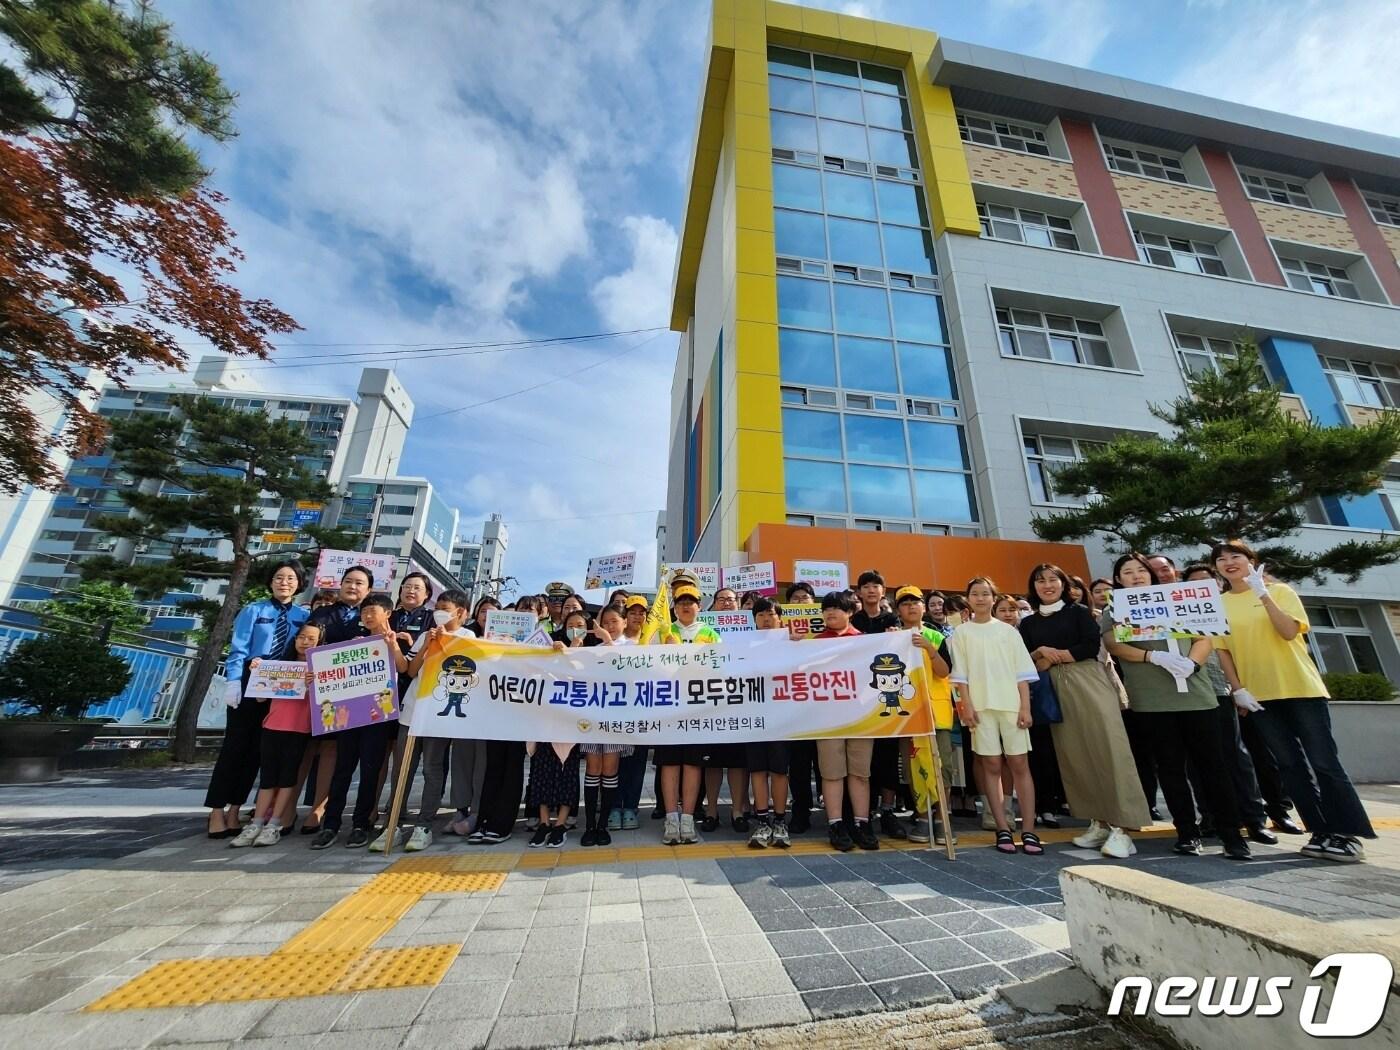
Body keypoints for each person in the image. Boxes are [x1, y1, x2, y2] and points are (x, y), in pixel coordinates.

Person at [1212, 540, 1375, 862]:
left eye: (1235, 556)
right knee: (1289, 765)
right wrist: (1237, 689)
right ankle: (1320, 830)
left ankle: (1348, 832)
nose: (1228, 562)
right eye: (1221, 559)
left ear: (1251, 561)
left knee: (1325, 762)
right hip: (1260, 696)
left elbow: (1289, 632)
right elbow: (1223, 651)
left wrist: (1263, 595)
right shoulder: (1219, 604)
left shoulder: (1280, 591)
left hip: (1301, 689)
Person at [1102, 554, 1250, 860]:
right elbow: (1115, 645)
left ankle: (1231, 834)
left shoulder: (1181, 598)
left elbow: (1205, 636)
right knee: (1170, 769)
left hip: (1197, 696)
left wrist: (1192, 663)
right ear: (1118, 580)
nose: (1136, 576)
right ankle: (1186, 832)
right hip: (1152, 700)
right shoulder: (1115, 607)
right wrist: (1152, 657)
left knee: (1214, 767)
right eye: (1127, 573)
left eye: (1141, 571)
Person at [1019, 563, 1150, 859]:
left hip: (1087, 680)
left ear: (1064, 584)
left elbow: (1091, 646)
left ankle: (1124, 826)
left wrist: (1053, 655)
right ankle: (1098, 821)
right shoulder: (1028, 623)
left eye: (1053, 579)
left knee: (1108, 748)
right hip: (1053, 688)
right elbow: (1027, 660)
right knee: (1073, 754)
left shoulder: (1078, 612)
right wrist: (1041, 654)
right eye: (1040, 581)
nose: (1047, 585)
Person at [1181, 564, 1300, 838]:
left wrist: (1238, 689)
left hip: (1228, 690)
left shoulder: (1230, 607)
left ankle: (1258, 817)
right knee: (1197, 760)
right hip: (1192, 690)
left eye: (1207, 580)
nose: (1201, 587)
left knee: (1241, 756)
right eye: (1194, 583)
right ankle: (1211, 816)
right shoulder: (1179, 612)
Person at [205, 560, 309, 838]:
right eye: (279, 577)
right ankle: (216, 811)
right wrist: (233, 682)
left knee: (256, 753)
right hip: (250, 682)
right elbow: (238, 649)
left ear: (299, 584)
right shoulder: (254, 610)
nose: (284, 582)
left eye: (290, 578)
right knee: (233, 749)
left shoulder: (302, 616)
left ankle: (235, 810)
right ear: (270, 582)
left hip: (281, 688)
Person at [949, 577, 1042, 855]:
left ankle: (1029, 829)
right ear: (968, 598)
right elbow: (960, 676)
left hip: (1011, 705)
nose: (980, 598)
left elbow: (1023, 673)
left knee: (1019, 763)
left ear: (994, 597)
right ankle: (1002, 826)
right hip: (980, 707)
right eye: (975, 594)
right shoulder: (961, 634)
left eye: (985, 593)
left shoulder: (1009, 631)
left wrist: (1025, 707)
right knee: (990, 763)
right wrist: (966, 707)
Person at [383, 588, 480, 853]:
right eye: (438, 606)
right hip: (412, 711)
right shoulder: (426, 635)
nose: (439, 611)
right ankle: (392, 821)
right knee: (402, 768)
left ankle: (424, 823)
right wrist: (426, 643)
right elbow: (409, 670)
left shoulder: (467, 637)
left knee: (432, 769)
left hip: (439, 714)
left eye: (445, 607)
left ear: (460, 612)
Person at [310, 590, 409, 849]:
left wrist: (393, 645)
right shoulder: (354, 641)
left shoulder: (397, 639)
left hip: (379, 716)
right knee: (342, 769)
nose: (366, 615)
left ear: (387, 613)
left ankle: (360, 823)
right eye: (364, 611)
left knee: (370, 770)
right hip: (350, 715)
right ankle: (330, 824)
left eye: (372, 611)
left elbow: (403, 668)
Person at [229, 620, 323, 848]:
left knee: (288, 778)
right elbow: (261, 698)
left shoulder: (319, 669)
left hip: (299, 729)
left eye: (312, 639)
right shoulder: (280, 664)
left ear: (320, 643)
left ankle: (274, 824)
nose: (305, 642)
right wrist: (258, 673)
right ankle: (257, 822)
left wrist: (313, 683)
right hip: (271, 727)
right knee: (268, 778)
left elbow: (324, 702)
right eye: (302, 637)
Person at [803, 589, 877, 852]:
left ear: (850, 612)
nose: (830, 613)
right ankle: (835, 823)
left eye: (837, 608)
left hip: (861, 719)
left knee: (860, 773)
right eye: (826, 608)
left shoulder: (866, 642)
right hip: (828, 720)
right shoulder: (813, 643)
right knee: (832, 773)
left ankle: (862, 823)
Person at [655, 583, 721, 844]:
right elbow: (647, 666)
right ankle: (671, 818)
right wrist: (665, 650)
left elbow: (719, 668)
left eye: (691, 601)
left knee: (693, 764)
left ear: (699, 606)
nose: (685, 605)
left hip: (697, 707)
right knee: (669, 763)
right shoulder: (663, 631)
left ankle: (688, 818)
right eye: (681, 601)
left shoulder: (711, 634)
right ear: (674, 606)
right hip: (668, 706)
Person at [371, 572, 436, 829]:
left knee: (425, 762)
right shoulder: (388, 616)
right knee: (384, 757)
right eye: (407, 586)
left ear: (427, 594)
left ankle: (413, 812)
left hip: (417, 695)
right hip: (380, 694)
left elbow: (411, 666)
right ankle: (379, 808)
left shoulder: (432, 622)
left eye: (417, 587)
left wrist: (411, 646)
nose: (411, 591)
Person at [892, 586, 954, 846]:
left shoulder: (936, 636)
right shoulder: (891, 638)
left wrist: (929, 648)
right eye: (904, 603)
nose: (910, 607)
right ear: (898, 610)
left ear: (924, 607)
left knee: (943, 768)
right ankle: (921, 817)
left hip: (936, 714)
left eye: (915, 602)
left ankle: (942, 819)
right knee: (912, 767)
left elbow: (944, 671)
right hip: (907, 716)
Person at [849, 570, 906, 842]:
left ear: (884, 591)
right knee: (864, 760)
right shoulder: (853, 621)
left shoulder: (893, 620)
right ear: (858, 592)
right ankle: (865, 813)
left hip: (888, 700)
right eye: (866, 586)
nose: (871, 590)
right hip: (859, 701)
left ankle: (888, 810)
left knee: (887, 758)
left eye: (876, 586)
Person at [700, 587, 750, 834]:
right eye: (721, 600)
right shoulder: (703, 628)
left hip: (741, 699)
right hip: (710, 700)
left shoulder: (750, 628)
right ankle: (711, 811)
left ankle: (737, 810)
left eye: (731, 600)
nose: (727, 604)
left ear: (738, 603)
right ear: (714, 605)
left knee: (738, 762)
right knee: (712, 762)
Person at [580, 606, 632, 847]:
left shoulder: (632, 647)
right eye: (605, 622)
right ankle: (590, 824)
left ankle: (603, 824)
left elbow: (624, 670)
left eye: (614, 621)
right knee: (593, 768)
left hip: (617, 716)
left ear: (624, 622)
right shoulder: (593, 650)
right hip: (592, 716)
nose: (610, 626)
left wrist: (609, 641)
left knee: (610, 769)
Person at [745, 596, 791, 849]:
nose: (765, 619)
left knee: (779, 771)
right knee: (758, 770)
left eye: (770, 614)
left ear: (780, 619)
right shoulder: (744, 646)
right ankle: (762, 820)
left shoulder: (792, 644)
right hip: (753, 717)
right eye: (760, 615)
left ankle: (780, 820)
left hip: (781, 718)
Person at [608, 595, 651, 831]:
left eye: (641, 612)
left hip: (644, 711)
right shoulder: (617, 642)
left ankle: (631, 807)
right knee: (617, 762)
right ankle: (615, 806)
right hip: (616, 712)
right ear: (625, 617)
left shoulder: (653, 641)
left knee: (637, 763)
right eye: (632, 612)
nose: (637, 616)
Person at [783, 580, 820, 831]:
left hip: (824, 707)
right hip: (794, 709)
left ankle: (833, 809)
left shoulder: (826, 627)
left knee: (825, 764)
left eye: (805, 598)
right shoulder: (778, 631)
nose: (800, 602)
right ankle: (801, 809)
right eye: (795, 598)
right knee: (798, 764)